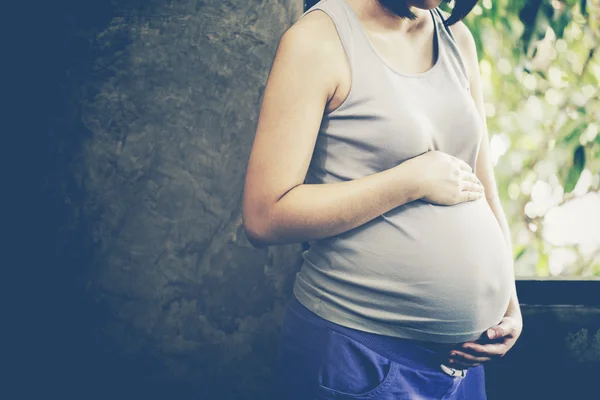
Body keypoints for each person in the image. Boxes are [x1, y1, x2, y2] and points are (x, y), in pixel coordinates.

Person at [242, 0, 523, 398]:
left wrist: (509, 303)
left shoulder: (457, 38)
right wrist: (407, 181)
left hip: (462, 369)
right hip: (358, 354)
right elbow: (263, 216)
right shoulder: (318, 41)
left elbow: (482, 185)